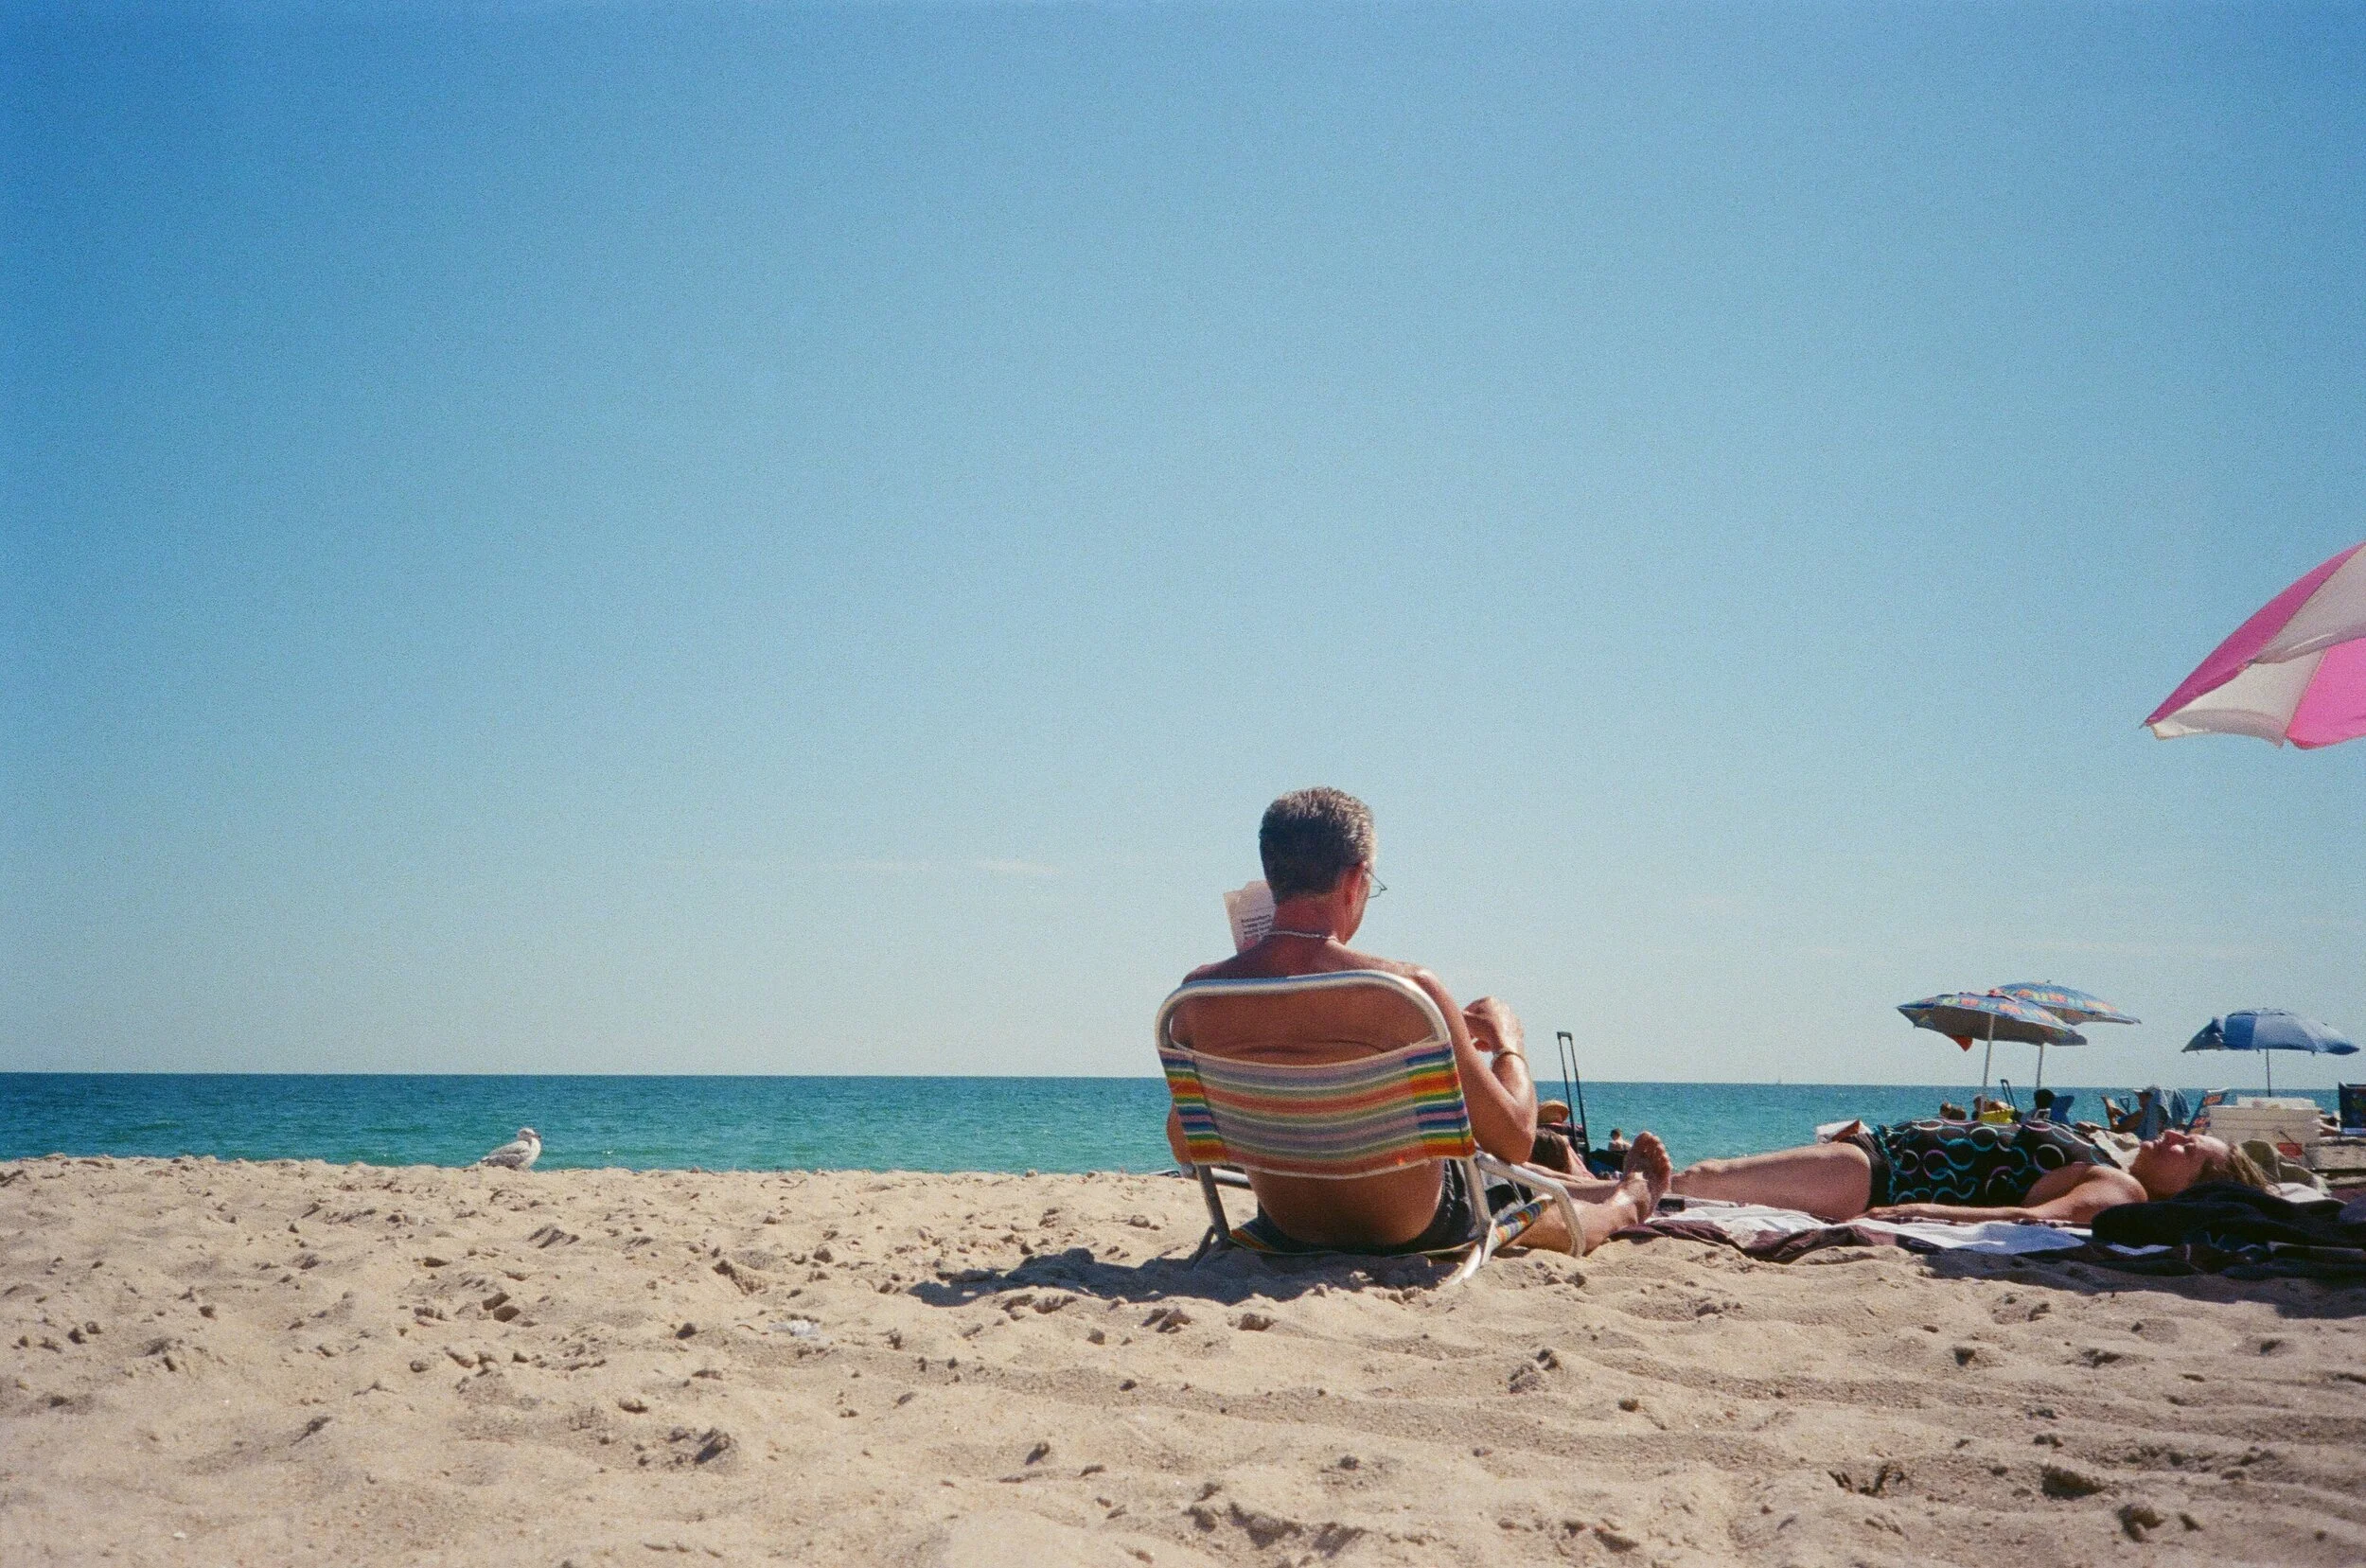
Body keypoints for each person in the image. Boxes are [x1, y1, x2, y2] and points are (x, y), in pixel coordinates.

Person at [1164, 787, 1668, 1257]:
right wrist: (1508, 1045)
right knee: (1503, 1186)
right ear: (1356, 879)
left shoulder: (1199, 997)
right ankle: (1627, 1203)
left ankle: (1602, 1189)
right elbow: (1514, 1140)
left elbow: (1185, 1142)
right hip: (1412, 1229)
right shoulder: (1407, 992)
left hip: (1289, 1227)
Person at [1666, 1120, 2269, 1226]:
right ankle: (1614, 1186)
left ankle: (1616, 1192)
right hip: (1879, 1159)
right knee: (1702, 1178)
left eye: (2191, 1150)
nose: (2175, 1137)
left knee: (1704, 1177)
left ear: (2192, 1188)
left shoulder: (2123, 1190)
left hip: (1879, 1178)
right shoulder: (2112, 1164)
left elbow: (2029, 1218)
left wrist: (1921, 1212)